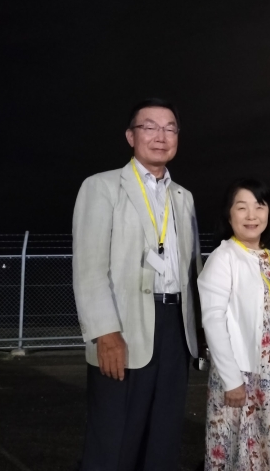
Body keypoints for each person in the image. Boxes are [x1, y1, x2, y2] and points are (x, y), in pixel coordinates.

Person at [72, 98, 202, 471]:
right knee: (114, 440)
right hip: (124, 328)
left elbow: (191, 269)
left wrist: (198, 329)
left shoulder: (184, 197)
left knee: (163, 438)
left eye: (170, 128)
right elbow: (89, 268)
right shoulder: (102, 187)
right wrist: (105, 332)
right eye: (150, 127)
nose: (161, 136)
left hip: (176, 329)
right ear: (131, 136)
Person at [198, 179, 270, 471]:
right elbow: (213, 320)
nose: (251, 215)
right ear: (229, 215)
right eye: (242, 207)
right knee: (240, 453)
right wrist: (232, 380)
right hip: (242, 377)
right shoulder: (223, 257)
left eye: (259, 206)